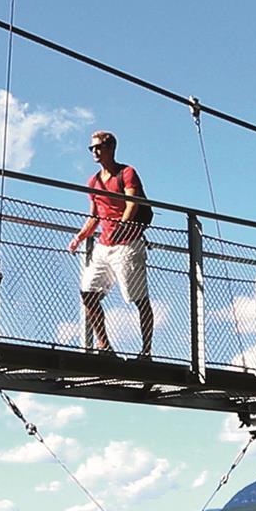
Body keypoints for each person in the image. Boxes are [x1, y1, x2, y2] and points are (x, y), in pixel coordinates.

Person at [71, 129, 154, 359]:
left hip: (128, 244)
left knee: (138, 298)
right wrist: (79, 237)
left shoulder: (127, 173)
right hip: (104, 245)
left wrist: (122, 226)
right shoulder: (94, 181)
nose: (94, 151)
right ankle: (104, 346)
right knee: (88, 292)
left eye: (98, 147)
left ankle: (146, 351)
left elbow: (132, 203)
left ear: (110, 148)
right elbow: (94, 216)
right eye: (92, 148)